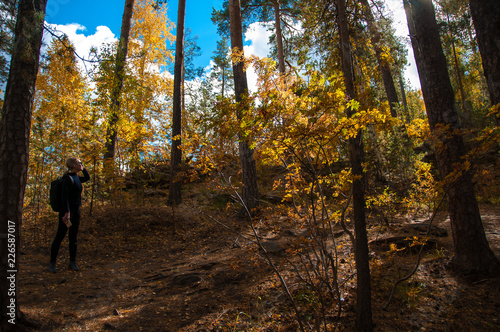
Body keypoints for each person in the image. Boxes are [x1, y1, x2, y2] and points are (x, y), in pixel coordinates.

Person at [49, 157, 90, 273]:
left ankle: (72, 262)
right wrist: (66, 213)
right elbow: (64, 197)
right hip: (67, 212)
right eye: (78, 162)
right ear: (72, 165)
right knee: (60, 237)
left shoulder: (76, 177)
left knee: (73, 237)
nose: (81, 163)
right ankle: (52, 263)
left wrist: (83, 168)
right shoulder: (68, 179)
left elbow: (87, 178)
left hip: (76, 211)